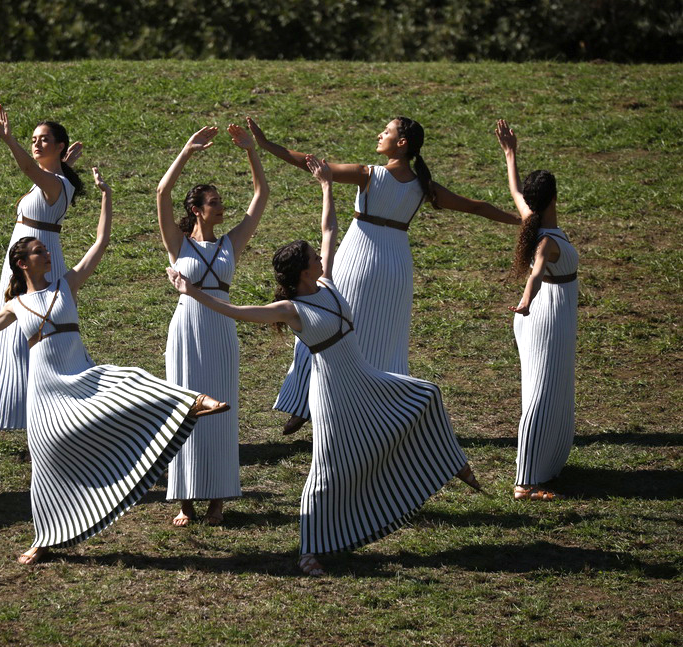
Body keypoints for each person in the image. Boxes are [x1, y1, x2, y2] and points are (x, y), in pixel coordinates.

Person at [166, 155, 481, 576]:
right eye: (314, 257)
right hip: (331, 392)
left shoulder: (329, 283)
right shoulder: (290, 308)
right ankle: (309, 551)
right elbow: (240, 311)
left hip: (365, 378)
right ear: (301, 271)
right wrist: (192, 293)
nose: (322, 257)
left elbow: (330, 230)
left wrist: (328, 187)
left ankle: (449, 460)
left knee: (426, 393)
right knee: (325, 472)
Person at [0, 168, 229, 564]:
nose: (47, 253)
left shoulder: (65, 284)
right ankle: (43, 539)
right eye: (38, 251)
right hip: (44, 391)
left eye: (45, 250)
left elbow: (100, 243)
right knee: (45, 468)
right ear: (22, 263)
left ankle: (191, 400)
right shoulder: (16, 305)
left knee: (129, 379)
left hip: (81, 376)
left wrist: (106, 197)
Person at [247, 117, 519, 434]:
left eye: (387, 132)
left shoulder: (370, 175)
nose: (380, 134)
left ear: (401, 143)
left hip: (357, 258)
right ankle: (379, 413)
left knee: (320, 321)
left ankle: (306, 403)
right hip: (395, 267)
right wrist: (522, 220)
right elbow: (477, 207)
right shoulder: (422, 187)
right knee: (384, 339)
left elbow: (311, 164)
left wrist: (267, 146)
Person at [157, 124, 269, 527]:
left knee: (222, 408)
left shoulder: (229, 244)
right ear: (197, 210)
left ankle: (218, 501)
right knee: (184, 407)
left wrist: (251, 151)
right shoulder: (179, 243)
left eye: (221, 201)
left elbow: (261, 197)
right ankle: (185, 501)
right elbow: (162, 194)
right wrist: (186, 150)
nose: (222, 207)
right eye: (215, 202)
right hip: (186, 328)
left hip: (222, 330)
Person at [0, 105, 84, 431]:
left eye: (44, 140)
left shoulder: (56, 183)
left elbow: (28, 169)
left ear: (60, 145)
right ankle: (29, 413)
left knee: (29, 331)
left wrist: (10, 140)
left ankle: (50, 411)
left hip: (35, 261)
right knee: (19, 330)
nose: (36, 144)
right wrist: (66, 163)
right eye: (33, 139)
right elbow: (46, 181)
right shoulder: (57, 180)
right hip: (26, 258)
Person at [496, 119, 578, 501]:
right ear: (555, 198)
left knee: (551, 388)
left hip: (548, 315)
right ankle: (524, 481)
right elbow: (536, 275)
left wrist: (510, 153)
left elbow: (514, 189)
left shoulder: (530, 218)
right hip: (544, 316)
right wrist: (527, 301)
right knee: (542, 394)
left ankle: (544, 466)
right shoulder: (545, 240)